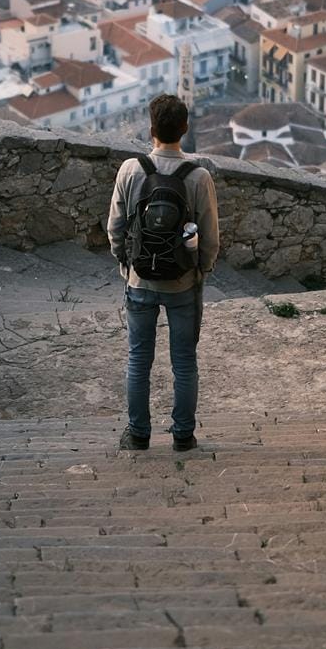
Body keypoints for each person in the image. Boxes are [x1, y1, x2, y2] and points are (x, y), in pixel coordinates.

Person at [107, 93, 219, 452]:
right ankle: (183, 436)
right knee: (184, 361)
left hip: (139, 279)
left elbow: (115, 228)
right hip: (183, 282)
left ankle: (138, 434)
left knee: (139, 359)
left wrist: (125, 265)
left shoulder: (130, 169)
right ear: (184, 129)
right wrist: (201, 271)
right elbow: (210, 238)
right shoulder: (199, 177)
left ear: (150, 128)